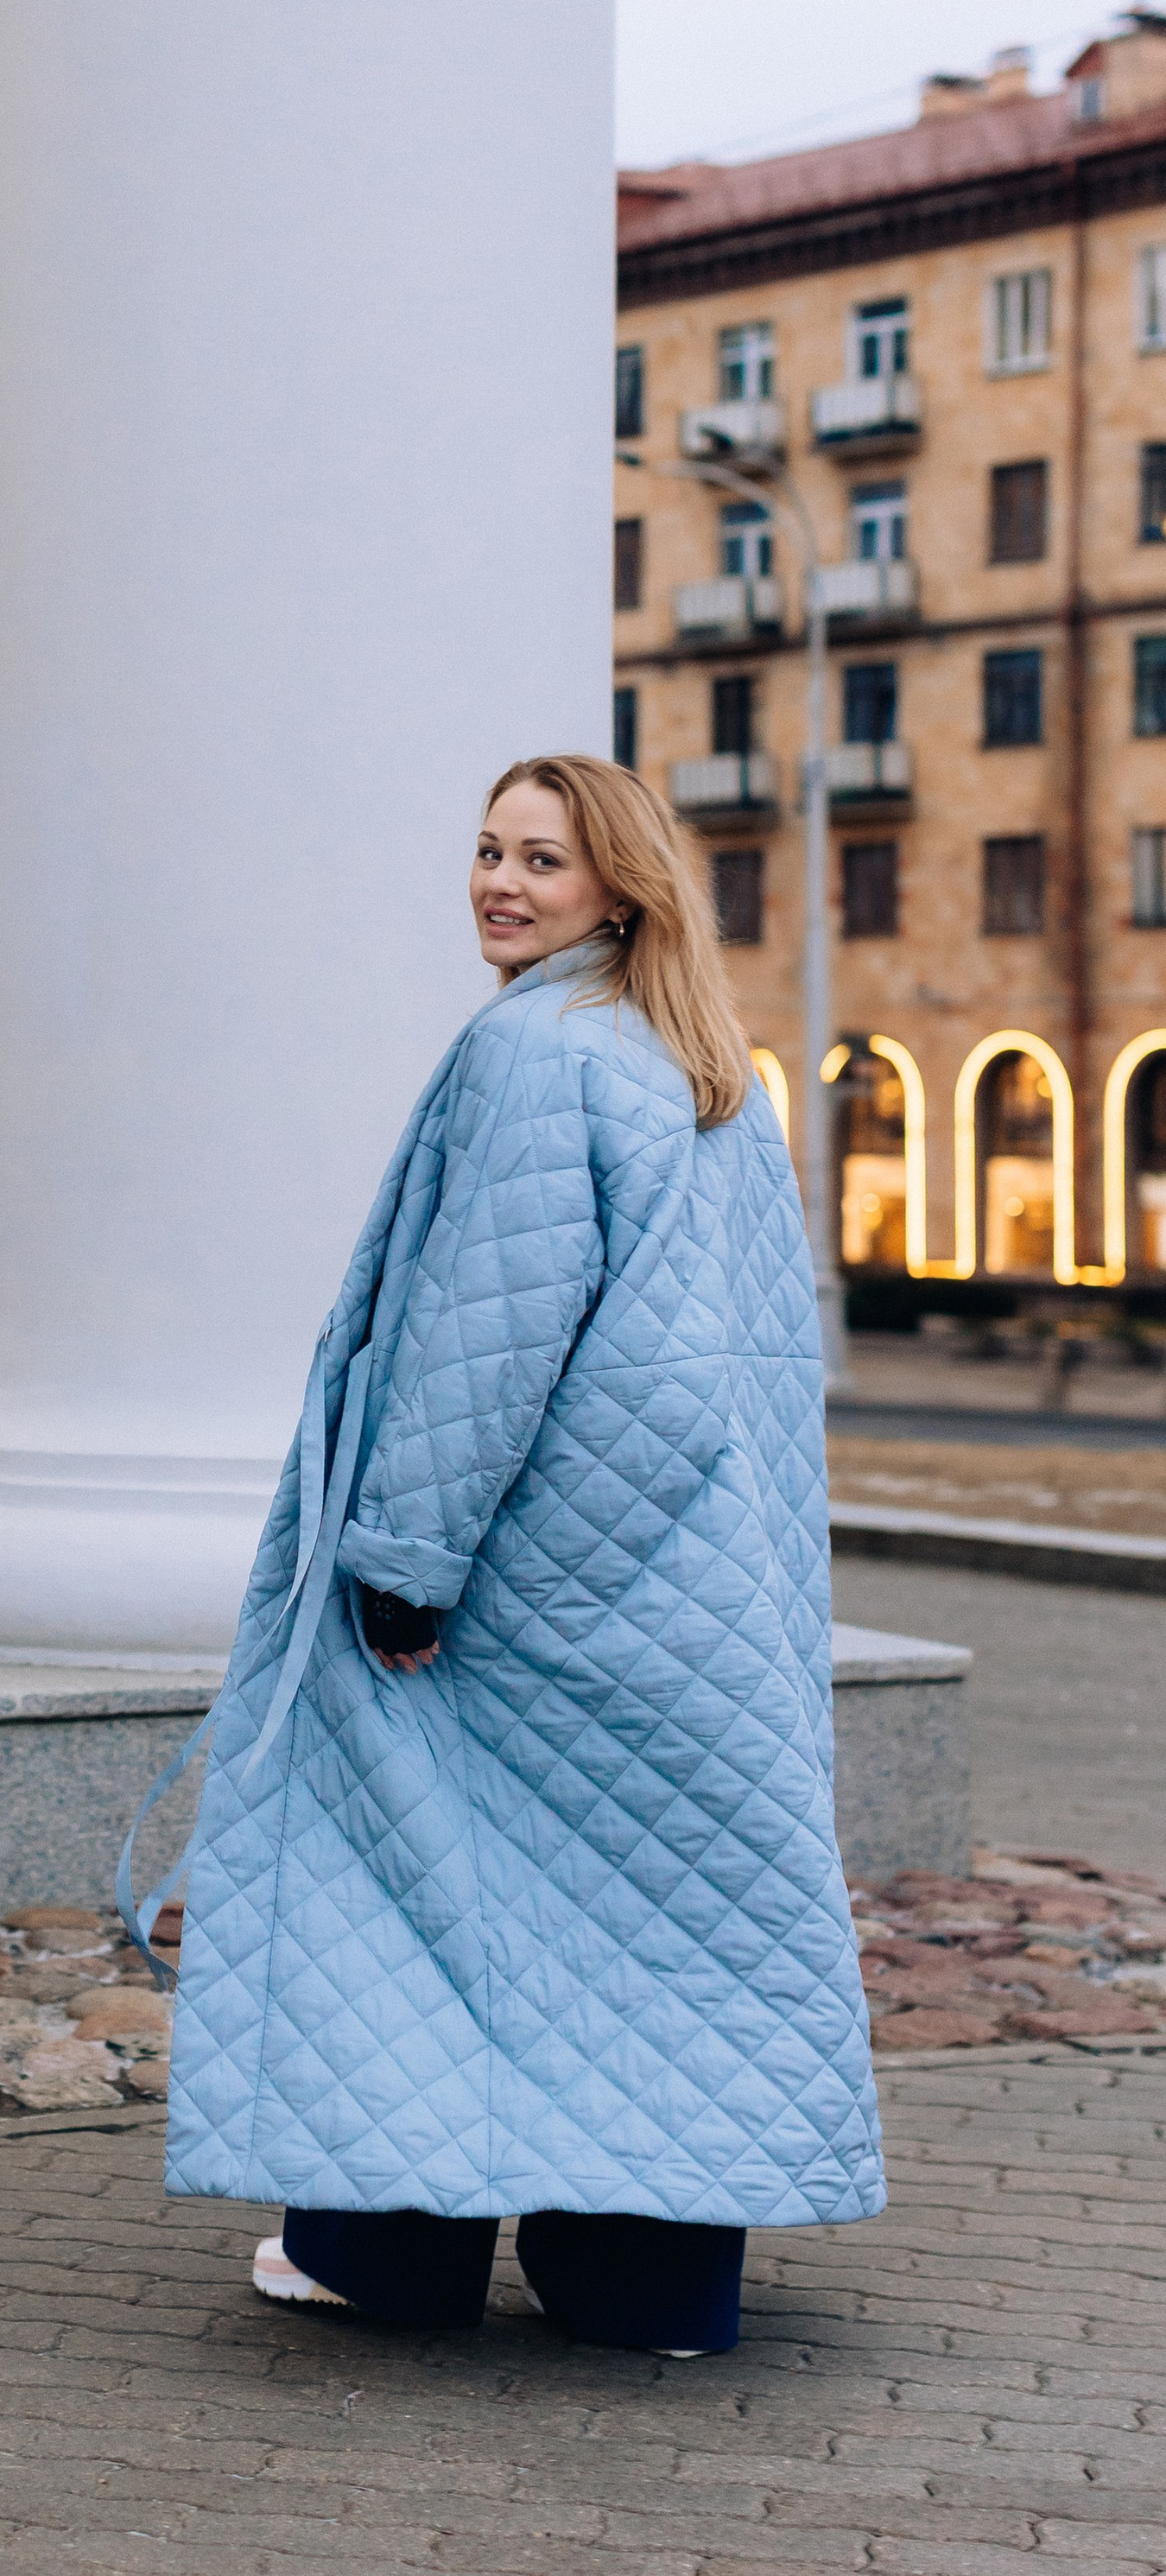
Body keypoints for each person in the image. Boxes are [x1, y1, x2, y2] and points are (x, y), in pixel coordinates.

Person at [159, 754, 883, 2355]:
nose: (499, 882)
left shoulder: (530, 1054)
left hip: (521, 1585)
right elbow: (761, 1364)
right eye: (488, 850)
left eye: (540, 859)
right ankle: (652, 2286)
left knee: (406, 1893)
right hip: (691, 1583)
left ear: (616, 885)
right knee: (658, 1919)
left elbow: (479, 1341)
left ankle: (383, 2255)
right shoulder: (698, 1064)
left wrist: (403, 1559)